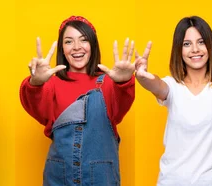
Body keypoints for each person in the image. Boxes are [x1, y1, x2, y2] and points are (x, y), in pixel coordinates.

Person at [134, 16, 212, 186]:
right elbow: (156, 84)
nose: (195, 49)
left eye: (201, 42)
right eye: (187, 44)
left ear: (210, 46)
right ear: (179, 49)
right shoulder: (172, 87)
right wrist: (142, 77)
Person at [19, 16, 139, 185]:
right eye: (69, 41)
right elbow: (34, 105)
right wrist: (36, 82)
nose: (76, 47)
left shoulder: (109, 83)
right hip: (59, 179)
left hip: (101, 179)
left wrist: (123, 82)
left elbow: (120, 107)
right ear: (62, 48)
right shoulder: (52, 83)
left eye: (84, 40)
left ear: (93, 45)